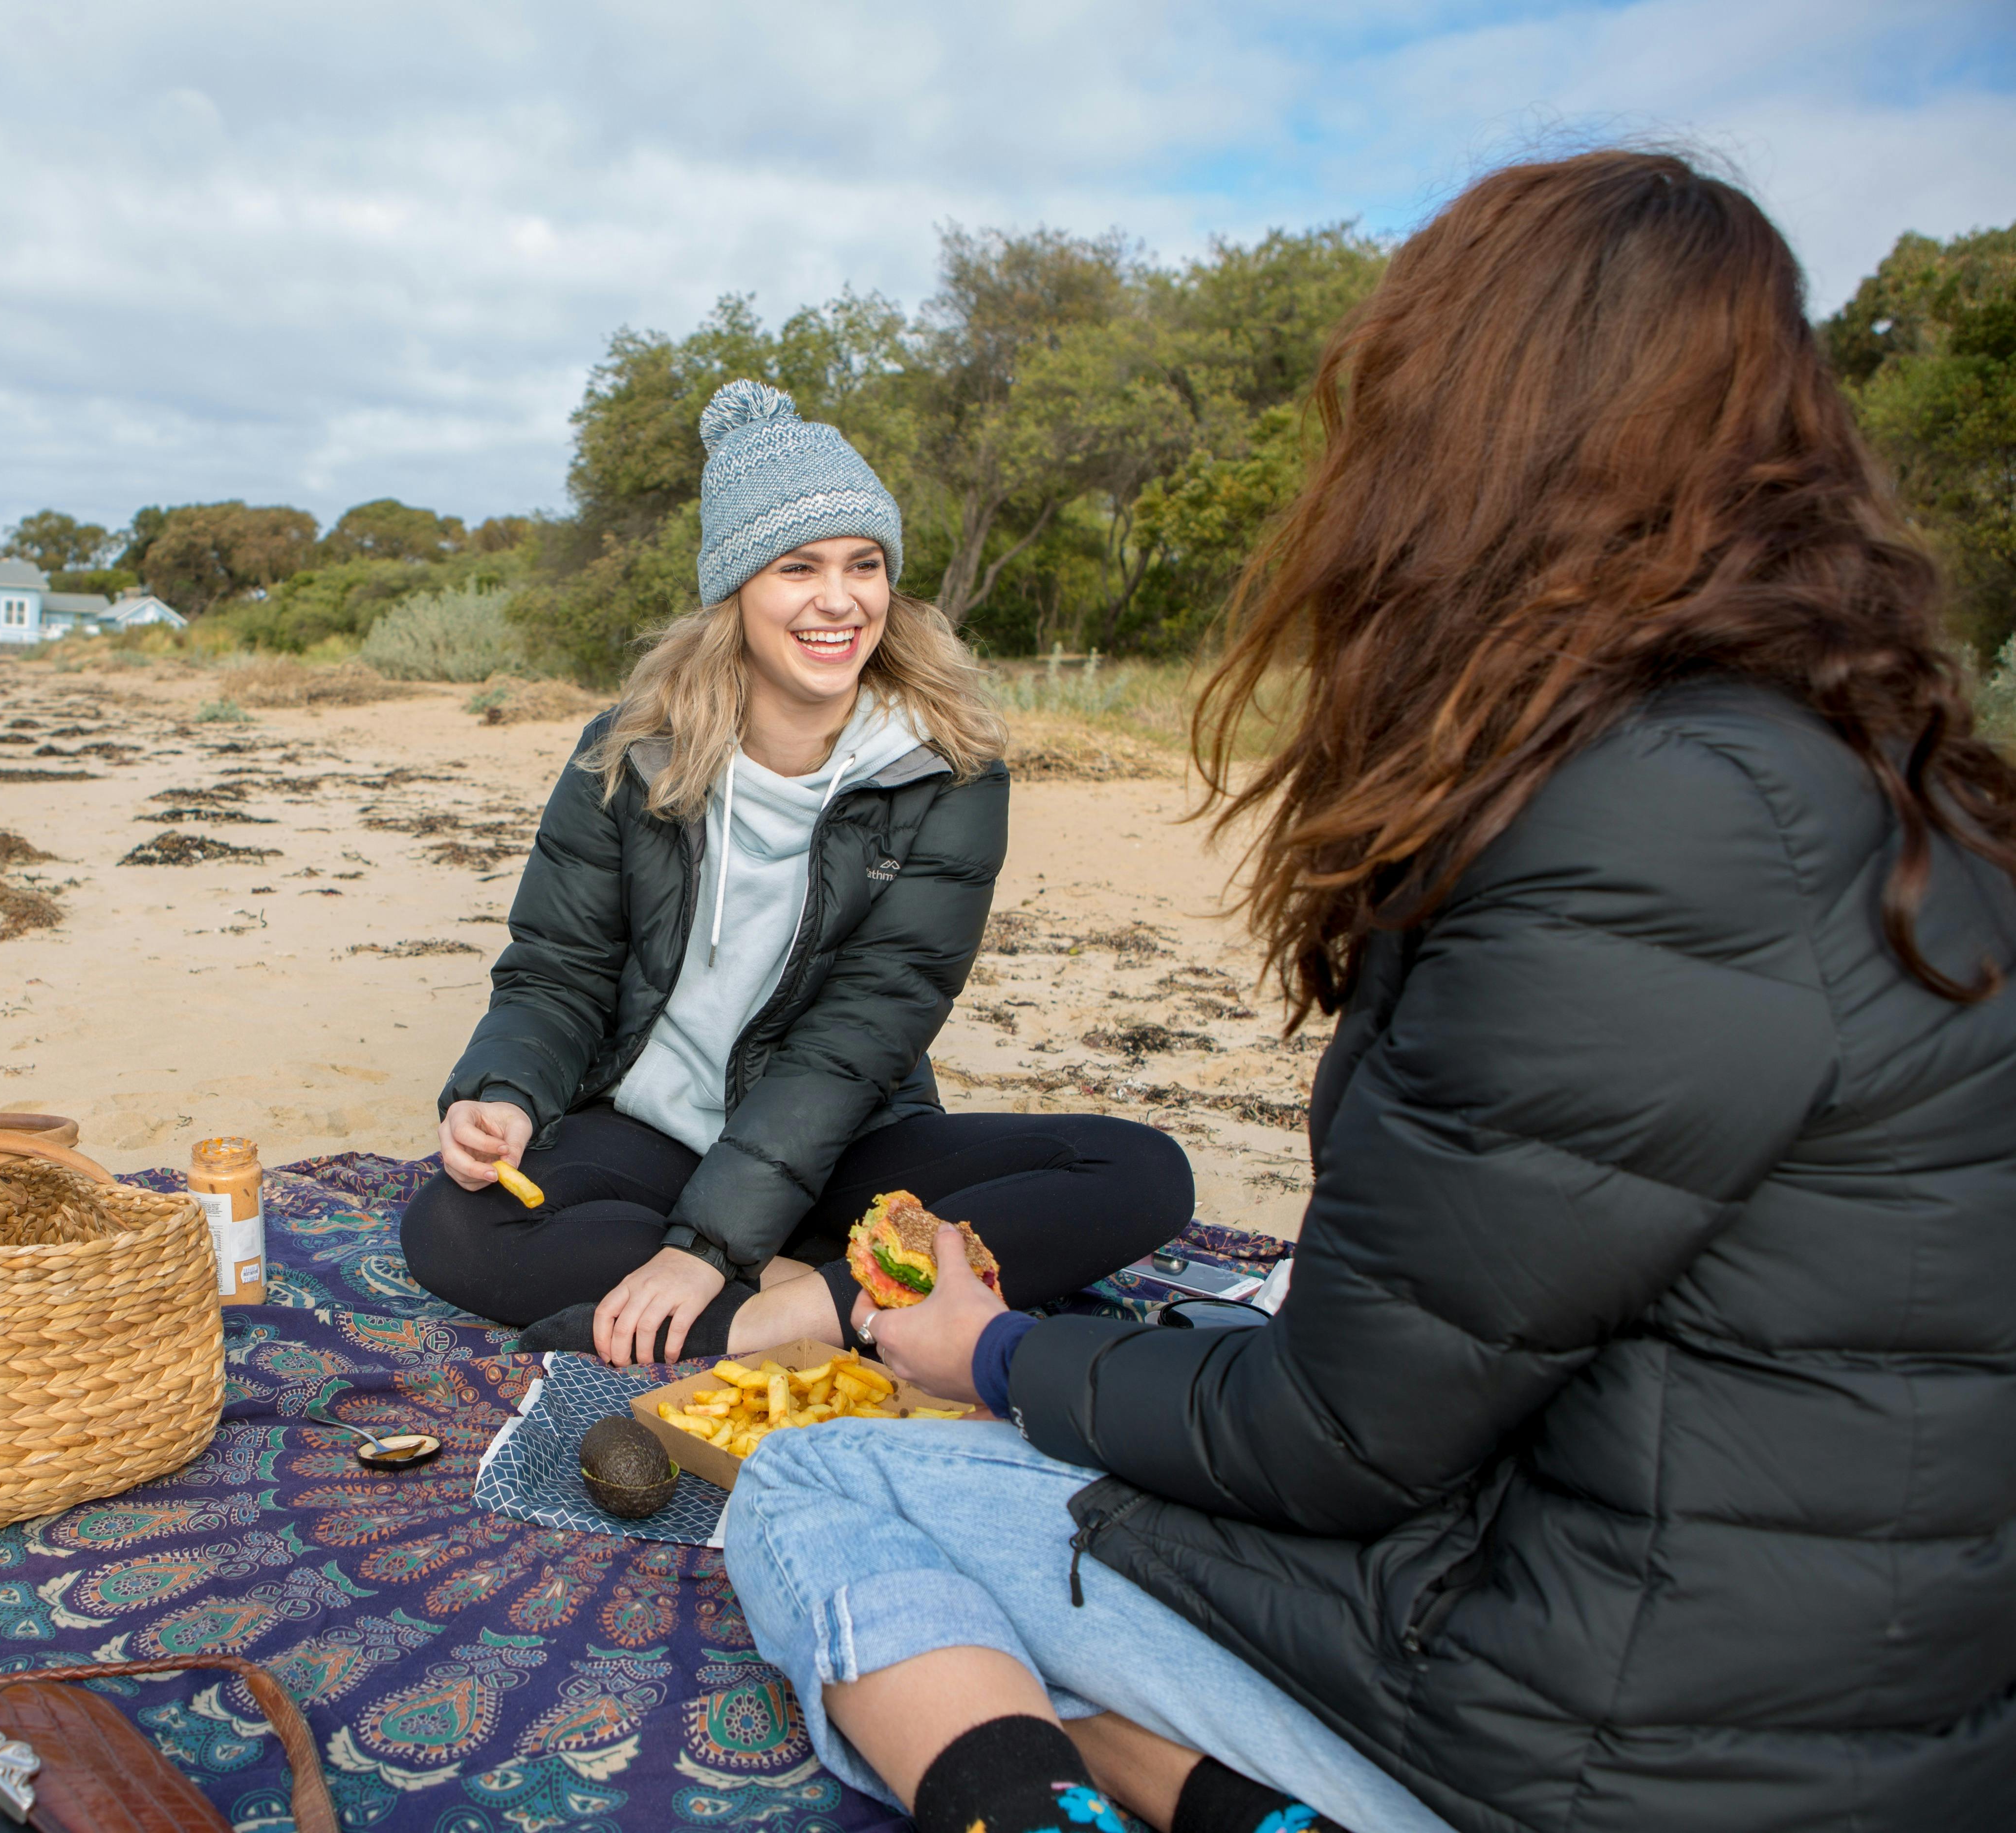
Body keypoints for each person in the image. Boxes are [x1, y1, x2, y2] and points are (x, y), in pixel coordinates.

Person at [723, 150, 2016, 1833]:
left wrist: (997, 1355)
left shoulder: (1641, 820)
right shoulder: (1891, 777)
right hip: (1841, 1690)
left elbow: (1339, 1438)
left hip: (1615, 1742)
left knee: (816, 1479)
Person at [401, 380, 1193, 1366]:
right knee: (450, 1222)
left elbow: (860, 1035)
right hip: (650, 1130)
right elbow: (555, 971)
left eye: (865, 565)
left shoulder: (949, 772)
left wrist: (704, 1250)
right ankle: (832, 1291)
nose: (839, 599)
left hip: (844, 1137)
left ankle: (776, 1316)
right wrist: (507, 1091)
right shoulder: (628, 753)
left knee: (1137, 1171)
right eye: (798, 566)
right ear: (734, 591)